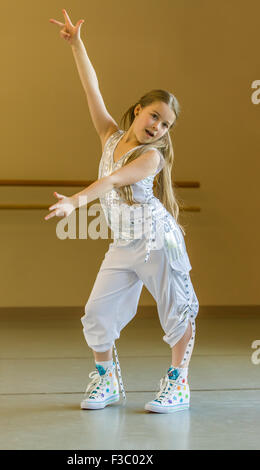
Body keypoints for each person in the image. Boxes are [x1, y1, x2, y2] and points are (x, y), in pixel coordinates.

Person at [46, 9, 199, 413]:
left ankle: (178, 384)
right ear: (138, 111)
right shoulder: (110, 136)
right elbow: (91, 89)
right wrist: (77, 45)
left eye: (166, 125)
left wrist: (75, 201)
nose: (158, 128)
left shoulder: (152, 159)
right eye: (155, 116)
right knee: (97, 313)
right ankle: (106, 380)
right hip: (124, 244)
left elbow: (113, 181)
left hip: (157, 242)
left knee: (176, 312)